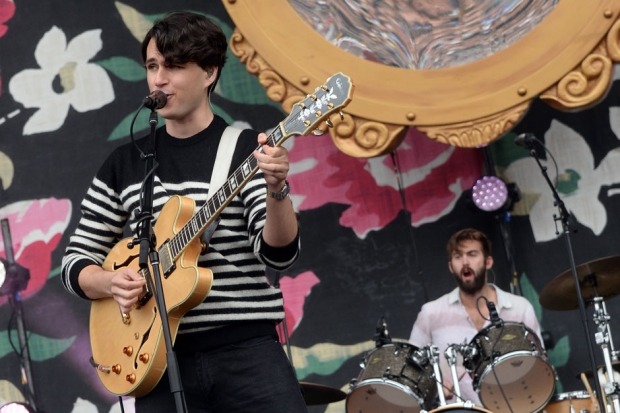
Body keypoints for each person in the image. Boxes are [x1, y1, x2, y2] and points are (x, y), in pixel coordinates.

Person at [60, 10, 307, 413]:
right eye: (153, 66)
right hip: (155, 359)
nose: (159, 79)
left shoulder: (244, 149)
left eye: (174, 67)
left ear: (209, 72)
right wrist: (111, 283)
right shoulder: (123, 164)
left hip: (247, 352)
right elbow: (75, 261)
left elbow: (278, 253)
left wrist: (277, 188)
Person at [409, 228, 543, 408]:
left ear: (488, 262)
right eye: (458, 256)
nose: (465, 262)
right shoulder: (431, 313)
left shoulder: (520, 308)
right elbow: (411, 374)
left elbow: (539, 366)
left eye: (472, 254)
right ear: (450, 266)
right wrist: (435, 389)